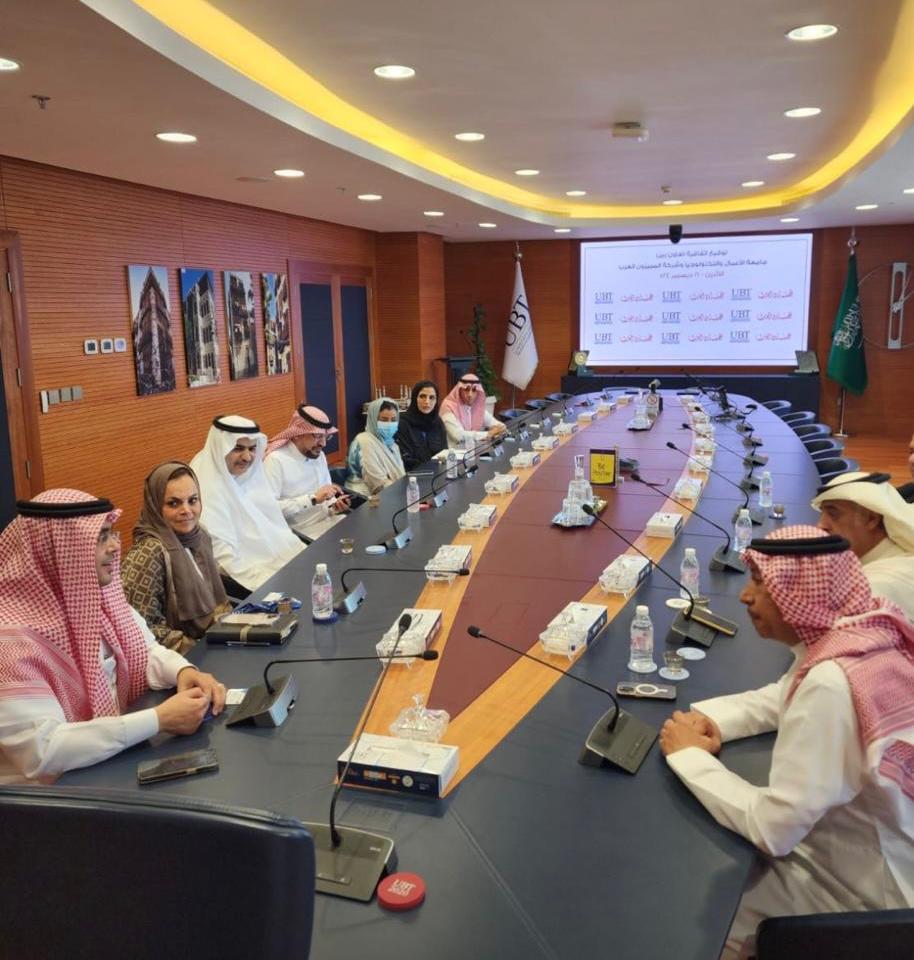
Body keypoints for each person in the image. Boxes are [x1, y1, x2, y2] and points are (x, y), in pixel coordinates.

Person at [660, 525, 914, 959]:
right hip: (884, 852)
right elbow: (788, 692)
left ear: (801, 594)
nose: (746, 597)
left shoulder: (831, 683)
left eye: (762, 582)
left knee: (686, 919)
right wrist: (714, 720)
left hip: (860, 892)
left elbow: (774, 829)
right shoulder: (860, 634)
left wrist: (691, 758)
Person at [0, 489, 226, 784]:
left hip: (104, 768)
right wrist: (159, 719)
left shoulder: (97, 599)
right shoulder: (10, 639)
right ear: (55, 552)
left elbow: (145, 650)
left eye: (111, 534)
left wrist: (183, 671)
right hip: (45, 797)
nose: (114, 547)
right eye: (100, 538)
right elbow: (43, 750)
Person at [122, 461, 232, 654]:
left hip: (215, 641)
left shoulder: (200, 536)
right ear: (155, 506)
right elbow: (143, 629)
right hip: (179, 658)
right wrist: (199, 649)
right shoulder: (148, 552)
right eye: (173, 503)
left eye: (193, 500)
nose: (186, 511)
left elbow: (217, 602)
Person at [190, 414, 305, 594]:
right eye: (237, 448)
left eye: (252, 449)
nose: (247, 457)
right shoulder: (206, 484)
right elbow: (224, 559)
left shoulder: (248, 473)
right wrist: (272, 586)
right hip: (246, 581)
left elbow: (273, 525)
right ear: (220, 448)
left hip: (276, 561)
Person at [812, 471, 914, 620]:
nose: (821, 525)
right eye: (822, 514)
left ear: (871, 519)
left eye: (833, 514)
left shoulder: (875, 587)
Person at [263, 404, 350, 541]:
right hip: (299, 536)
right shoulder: (275, 460)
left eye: (326, 437)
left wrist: (334, 506)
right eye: (317, 436)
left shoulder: (318, 455)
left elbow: (325, 496)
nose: (323, 444)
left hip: (329, 523)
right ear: (297, 434)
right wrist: (312, 499)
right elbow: (269, 510)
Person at [346, 398, 406, 497]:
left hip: (392, 492)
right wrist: (405, 493)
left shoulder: (392, 444)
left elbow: (401, 476)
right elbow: (377, 484)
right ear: (373, 419)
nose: (389, 424)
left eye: (393, 420)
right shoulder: (365, 441)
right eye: (384, 420)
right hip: (364, 497)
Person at [439, 373, 507, 449]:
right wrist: (488, 434)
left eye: (474, 390)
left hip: (472, 450)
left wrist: (498, 429)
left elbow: (498, 424)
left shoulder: (476, 405)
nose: (470, 394)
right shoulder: (448, 406)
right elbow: (458, 435)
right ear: (459, 390)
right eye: (466, 389)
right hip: (453, 453)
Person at [396, 380, 448, 470]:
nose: (427, 401)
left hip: (438, 472)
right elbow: (405, 459)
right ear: (414, 398)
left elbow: (444, 452)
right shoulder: (403, 423)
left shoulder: (437, 422)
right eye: (422, 396)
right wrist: (429, 468)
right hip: (414, 474)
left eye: (432, 397)